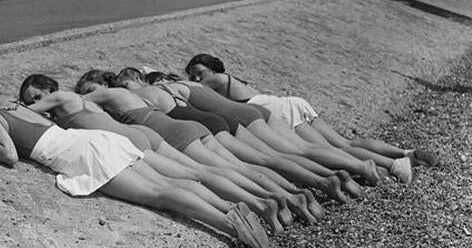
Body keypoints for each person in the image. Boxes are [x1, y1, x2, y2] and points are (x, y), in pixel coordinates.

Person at [0, 80, 269, 248]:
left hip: (83, 156)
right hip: (94, 141)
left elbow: (9, 155)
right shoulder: (14, 105)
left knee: (161, 194)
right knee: (167, 181)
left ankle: (233, 228)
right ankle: (232, 208)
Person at [18, 73, 316, 231]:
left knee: (189, 178)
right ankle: (278, 196)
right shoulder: (92, 101)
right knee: (212, 170)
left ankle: (261, 203)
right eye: (36, 98)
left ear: (49, 89)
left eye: (39, 95)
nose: (39, 101)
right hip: (144, 134)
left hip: (131, 141)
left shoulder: (64, 97)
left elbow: (23, 112)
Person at [74, 69, 353, 209]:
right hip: (231, 115)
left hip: (191, 127)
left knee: (244, 166)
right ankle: (324, 177)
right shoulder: (171, 85)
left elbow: (76, 103)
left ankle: (301, 190)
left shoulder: (126, 96)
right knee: (283, 155)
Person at [185, 54, 437, 178]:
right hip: (288, 103)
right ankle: (406, 154)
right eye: (192, 75)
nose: (196, 78)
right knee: (344, 143)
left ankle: (393, 166)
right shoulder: (230, 80)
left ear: (212, 68)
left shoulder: (215, 80)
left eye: (198, 71)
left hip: (278, 112)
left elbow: (191, 92)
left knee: (333, 150)